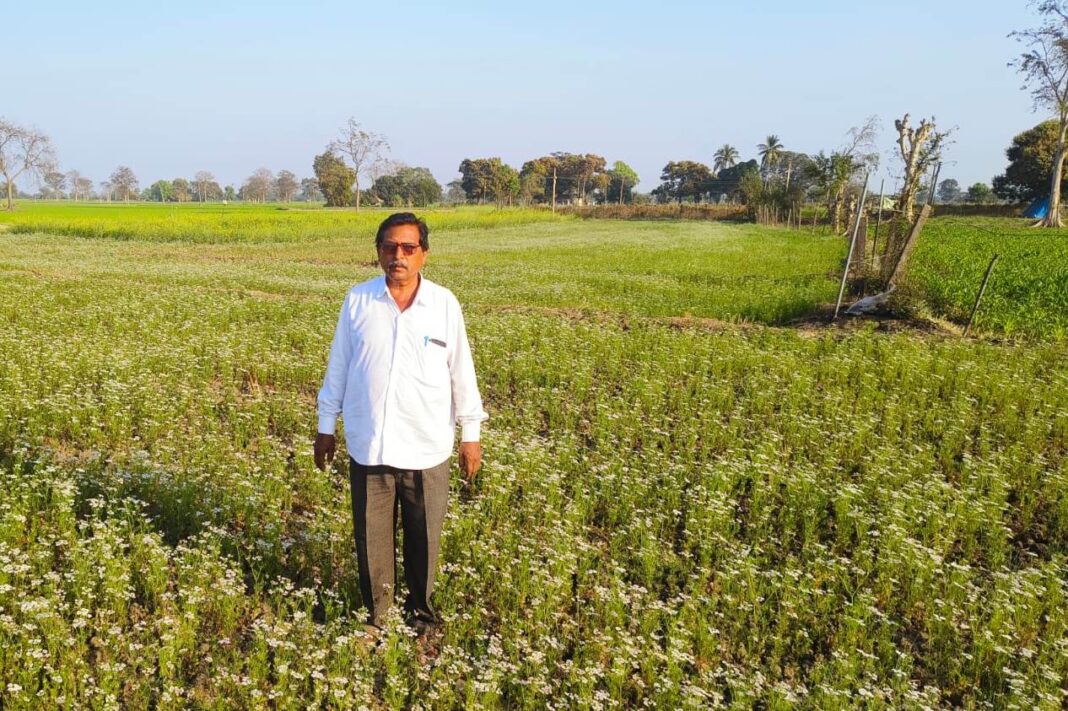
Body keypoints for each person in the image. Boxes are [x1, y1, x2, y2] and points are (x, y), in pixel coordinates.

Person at [314, 212, 487, 635]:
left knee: (423, 537)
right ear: (378, 253)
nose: (398, 256)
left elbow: (461, 371)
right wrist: (325, 425)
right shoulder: (358, 300)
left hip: (427, 445)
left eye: (409, 248)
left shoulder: (444, 304)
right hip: (369, 443)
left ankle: (422, 615)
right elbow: (339, 366)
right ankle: (378, 618)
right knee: (372, 539)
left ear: (424, 254)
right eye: (390, 247)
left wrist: (471, 436)